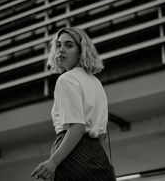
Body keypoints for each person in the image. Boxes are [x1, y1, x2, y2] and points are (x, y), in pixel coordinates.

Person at [31, 27, 116, 181]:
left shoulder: (67, 79)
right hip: (99, 158)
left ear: (81, 51)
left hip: (73, 154)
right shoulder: (96, 83)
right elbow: (102, 136)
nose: (61, 50)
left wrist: (53, 162)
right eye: (58, 45)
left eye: (69, 45)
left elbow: (77, 127)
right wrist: (107, 168)